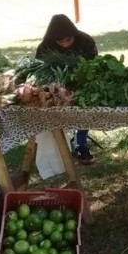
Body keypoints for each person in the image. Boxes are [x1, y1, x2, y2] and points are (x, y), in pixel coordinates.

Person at [35, 14, 98, 164]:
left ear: (74, 36)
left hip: (83, 82)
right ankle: (65, 144)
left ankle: (81, 143)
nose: (64, 44)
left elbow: (95, 65)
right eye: (60, 41)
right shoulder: (45, 46)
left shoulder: (85, 41)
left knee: (85, 112)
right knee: (58, 113)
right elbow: (40, 69)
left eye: (68, 40)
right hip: (57, 87)